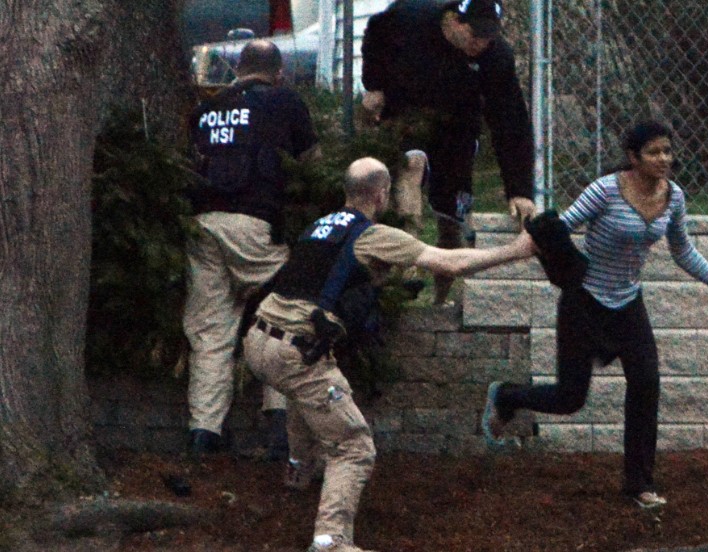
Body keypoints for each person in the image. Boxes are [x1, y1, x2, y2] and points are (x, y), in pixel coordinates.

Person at [242, 157, 535, 552]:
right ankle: (329, 540)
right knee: (353, 446)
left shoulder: (320, 226)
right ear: (381, 195)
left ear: (347, 190)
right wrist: (517, 250)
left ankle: (298, 472)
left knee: (300, 395)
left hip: (259, 340)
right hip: (296, 350)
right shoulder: (373, 234)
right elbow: (449, 262)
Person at [482, 120, 708, 511]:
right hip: (584, 302)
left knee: (647, 384)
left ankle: (639, 483)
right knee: (571, 399)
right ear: (633, 158)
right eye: (654, 152)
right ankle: (507, 395)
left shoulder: (674, 198)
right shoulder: (605, 191)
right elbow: (560, 227)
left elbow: (683, 252)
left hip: (628, 304)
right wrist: (537, 246)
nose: (664, 159)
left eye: (668, 151)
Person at [184, 40, 321, 458]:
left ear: (237, 71)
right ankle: (279, 425)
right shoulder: (284, 100)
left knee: (210, 332)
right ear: (278, 73)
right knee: (283, 318)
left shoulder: (206, 109)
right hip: (258, 228)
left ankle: (203, 435)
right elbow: (312, 162)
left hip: (203, 226)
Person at [361, 0, 537, 304]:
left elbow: (511, 123)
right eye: (474, 35)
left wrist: (519, 189)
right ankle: (407, 270)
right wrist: (374, 85)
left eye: (488, 37)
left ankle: (440, 300)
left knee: (450, 219)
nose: (480, 44)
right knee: (411, 166)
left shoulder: (496, 57)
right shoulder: (411, 18)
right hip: (408, 114)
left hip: (458, 129)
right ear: (454, 21)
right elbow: (375, 31)